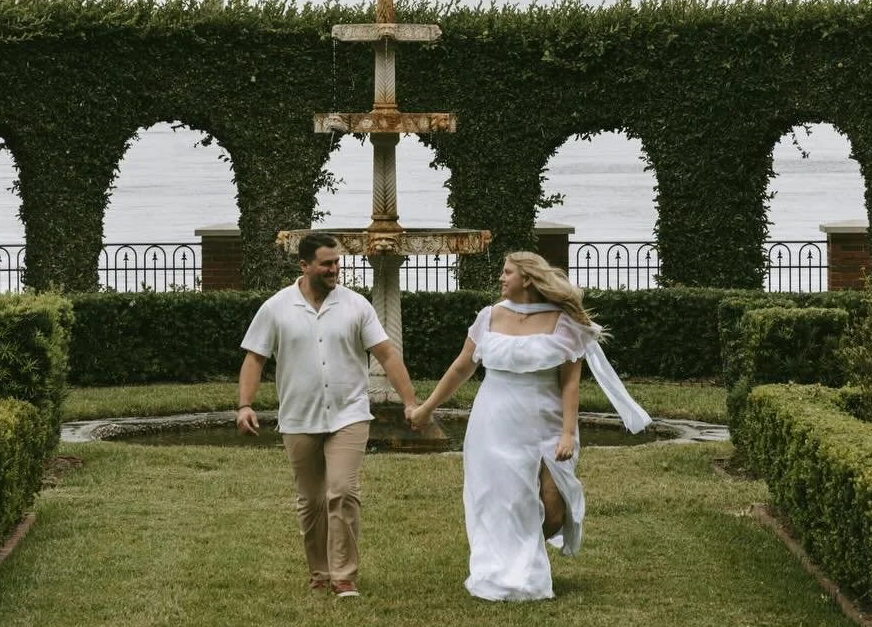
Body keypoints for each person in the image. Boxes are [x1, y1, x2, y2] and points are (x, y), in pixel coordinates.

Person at [409, 249, 652, 602]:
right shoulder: (489, 317)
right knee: (501, 500)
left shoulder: (563, 323)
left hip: (546, 421)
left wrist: (568, 432)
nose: (500, 278)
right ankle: (509, 569)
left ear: (526, 279)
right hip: (493, 421)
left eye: (507, 272)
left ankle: (521, 555)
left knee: (554, 507)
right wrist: (427, 407)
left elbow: (570, 383)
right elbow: (463, 366)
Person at [237, 231, 418, 599]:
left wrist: (410, 402)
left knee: (343, 492)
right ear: (304, 266)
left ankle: (344, 576)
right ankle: (319, 573)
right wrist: (245, 405)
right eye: (327, 264)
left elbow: (387, 354)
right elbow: (254, 358)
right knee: (312, 501)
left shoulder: (356, 306)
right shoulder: (276, 308)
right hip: (299, 417)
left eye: (337, 262)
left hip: (349, 415)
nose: (335, 269)